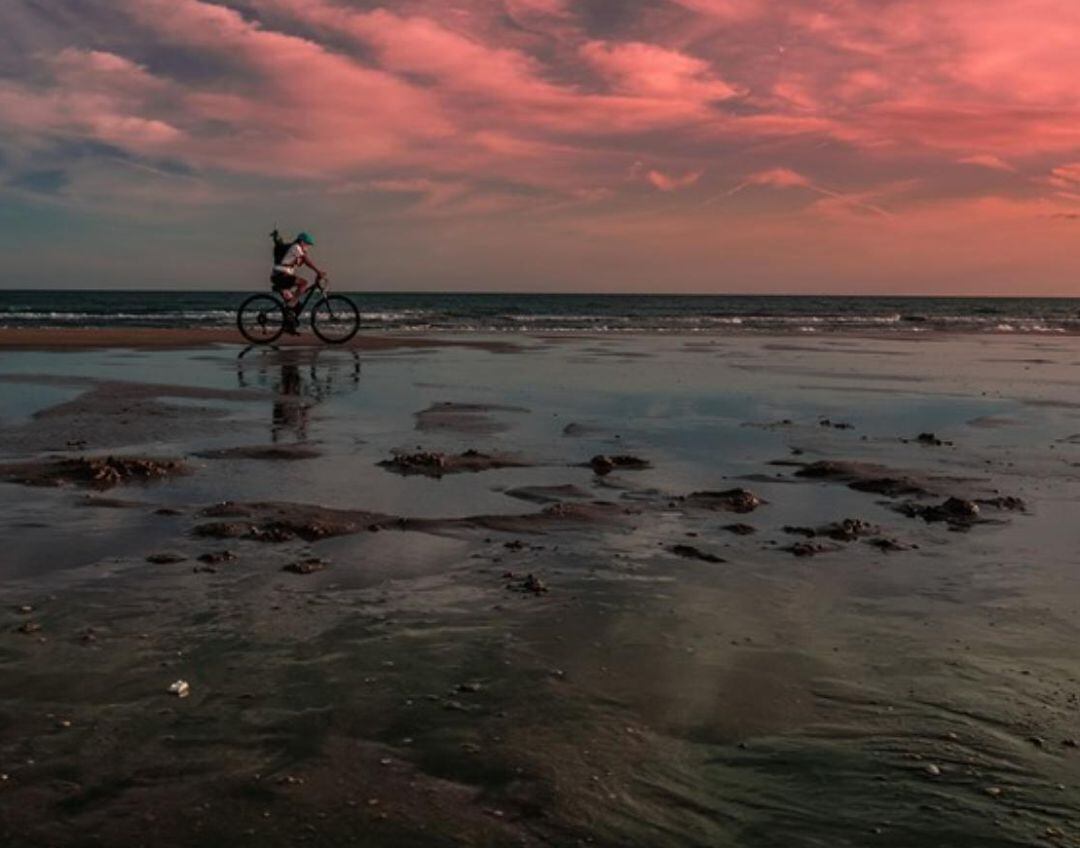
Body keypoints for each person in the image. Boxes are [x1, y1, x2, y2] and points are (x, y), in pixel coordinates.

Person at [270, 231, 327, 333]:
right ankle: (289, 307)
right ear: (301, 241)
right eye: (307, 244)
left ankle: (288, 326)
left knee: (297, 307)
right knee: (303, 283)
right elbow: (306, 260)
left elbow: (302, 261)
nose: (308, 247)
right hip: (280, 276)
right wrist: (318, 271)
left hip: (281, 276)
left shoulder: (297, 251)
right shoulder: (296, 247)